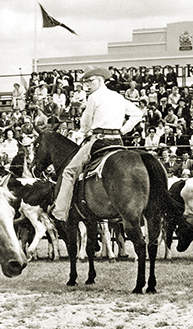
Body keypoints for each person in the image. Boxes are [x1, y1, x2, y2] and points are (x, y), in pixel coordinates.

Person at [50, 66, 143, 222]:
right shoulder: (118, 97)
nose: (87, 85)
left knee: (69, 171)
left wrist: (81, 132)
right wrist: (122, 130)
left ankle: (60, 211)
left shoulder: (93, 97)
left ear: (100, 80)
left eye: (90, 81)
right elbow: (138, 114)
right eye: (85, 82)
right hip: (118, 141)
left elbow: (86, 122)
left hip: (99, 141)